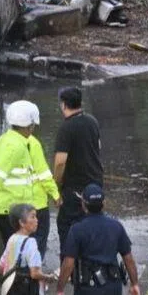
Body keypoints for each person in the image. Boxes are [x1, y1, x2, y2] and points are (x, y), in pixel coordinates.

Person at [52, 87, 103, 254]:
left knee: (66, 227)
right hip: (95, 184)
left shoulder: (66, 128)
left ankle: (69, 268)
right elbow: (98, 147)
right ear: (80, 103)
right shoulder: (92, 121)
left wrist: (56, 185)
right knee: (92, 225)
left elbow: (60, 162)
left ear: (63, 105)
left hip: (75, 189)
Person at [0, 101, 37, 244]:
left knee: (14, 250)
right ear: (29, 126)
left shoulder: (3, 140)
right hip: (9, 209)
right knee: (17, 252)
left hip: (5, 207)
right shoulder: (16, 147)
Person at [26, 102, 61, 259]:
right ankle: (34, 276)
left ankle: (20, 274)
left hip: (13, 204)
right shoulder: (32, 144)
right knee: (38, 243)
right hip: (36, 204)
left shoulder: (2, 143)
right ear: (31, 125)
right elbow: (43, 174)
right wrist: (55, 194)